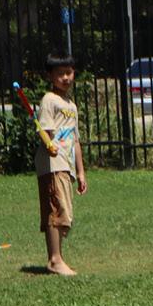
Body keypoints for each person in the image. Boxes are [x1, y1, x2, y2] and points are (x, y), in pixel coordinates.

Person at [35, 53, 86, 277]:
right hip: (52, 163)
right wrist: (49, 145)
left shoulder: (71, 105)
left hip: (66, 163)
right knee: (56, 210)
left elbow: (75, 140)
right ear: (50, 76)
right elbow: (43, 130)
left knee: (64, 210)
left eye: (69, 72)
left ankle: (57, 258)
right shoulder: (49, 100)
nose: (65, 77)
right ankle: (55, 260)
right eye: (60, 73)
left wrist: (81, 172)